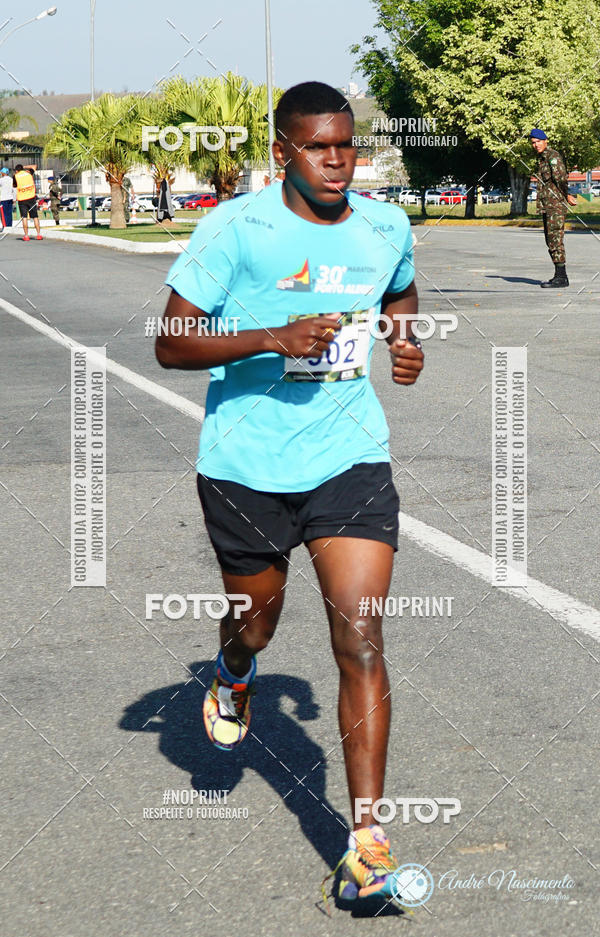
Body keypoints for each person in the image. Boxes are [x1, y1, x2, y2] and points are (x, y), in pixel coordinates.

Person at [156, 81, 425, 912]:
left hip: (350, 458)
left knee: (362, 636)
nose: (338, 160)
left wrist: (404, 337)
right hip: (245, 468)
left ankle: (367, 843)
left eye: (347, 145)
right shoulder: (236, 229)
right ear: (283, 152)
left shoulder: (385, 225)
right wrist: (270, 338)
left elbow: (400, 289)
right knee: (258, 617)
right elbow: (172, 340)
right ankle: (235, 670)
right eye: (318, 146)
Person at [529, 129, 577, 288]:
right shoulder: (542, 159)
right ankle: (559, 275)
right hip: (547, 206)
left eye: (538, 142)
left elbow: (560, 179)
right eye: (533, 143)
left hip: (555, 205)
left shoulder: (553, 157)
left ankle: (561, 277)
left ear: (546, 141)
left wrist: (567, 195)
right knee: (550, 240)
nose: (536, 145)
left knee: (555, 239)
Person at [13, 164, 42, 241]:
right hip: (31, 198)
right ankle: (38, 235)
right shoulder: (29, 173)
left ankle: (26, 236)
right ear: (22, 169)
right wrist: (25, 167)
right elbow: (35, 166)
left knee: (24, 218)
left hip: (22, 199)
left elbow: (14, 185)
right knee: (35, 217)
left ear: (16, 171)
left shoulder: (15, 176)